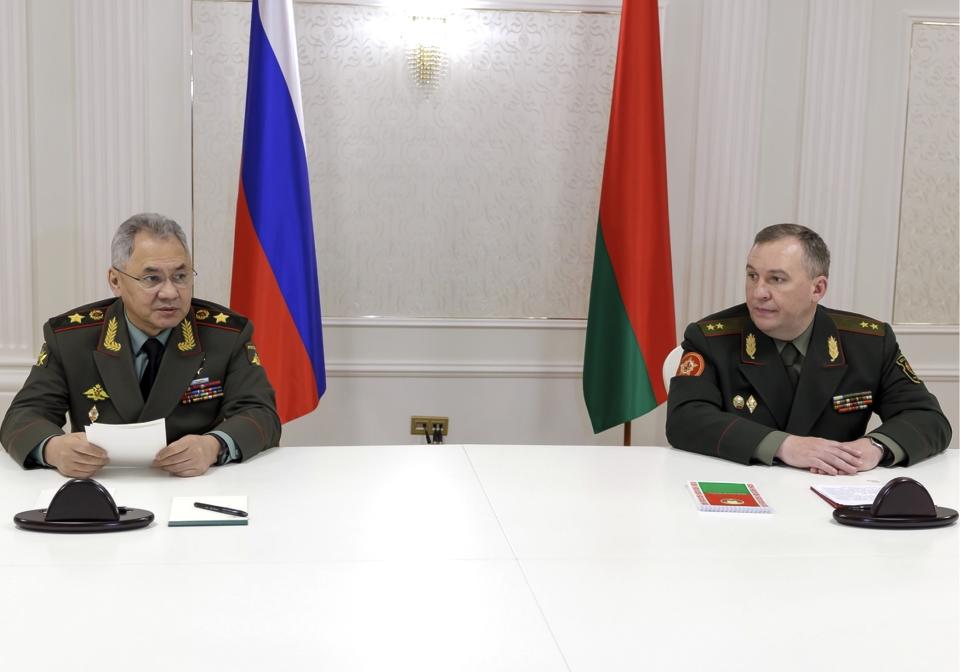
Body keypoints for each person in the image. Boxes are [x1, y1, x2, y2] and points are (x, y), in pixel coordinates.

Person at [1, 213, 281, 478]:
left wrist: (213, 446)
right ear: (115, 281)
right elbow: (23, 417)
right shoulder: (72, 338)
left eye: (181, 276)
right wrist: (54, 449)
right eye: (152, 278)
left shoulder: (225, 335)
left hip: (194, 485)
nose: (171, 292)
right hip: (101, 485)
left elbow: (261, 414)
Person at [666, 223, 951, 475]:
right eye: (752, 276)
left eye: (776, 279)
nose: (758, 292)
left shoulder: (869, 343)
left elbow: (928, 418)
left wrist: (875, 447)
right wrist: (784, 446)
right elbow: (685, 419)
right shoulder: (712, 338)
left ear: (818, 289)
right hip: (742, 493)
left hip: (835, 498)